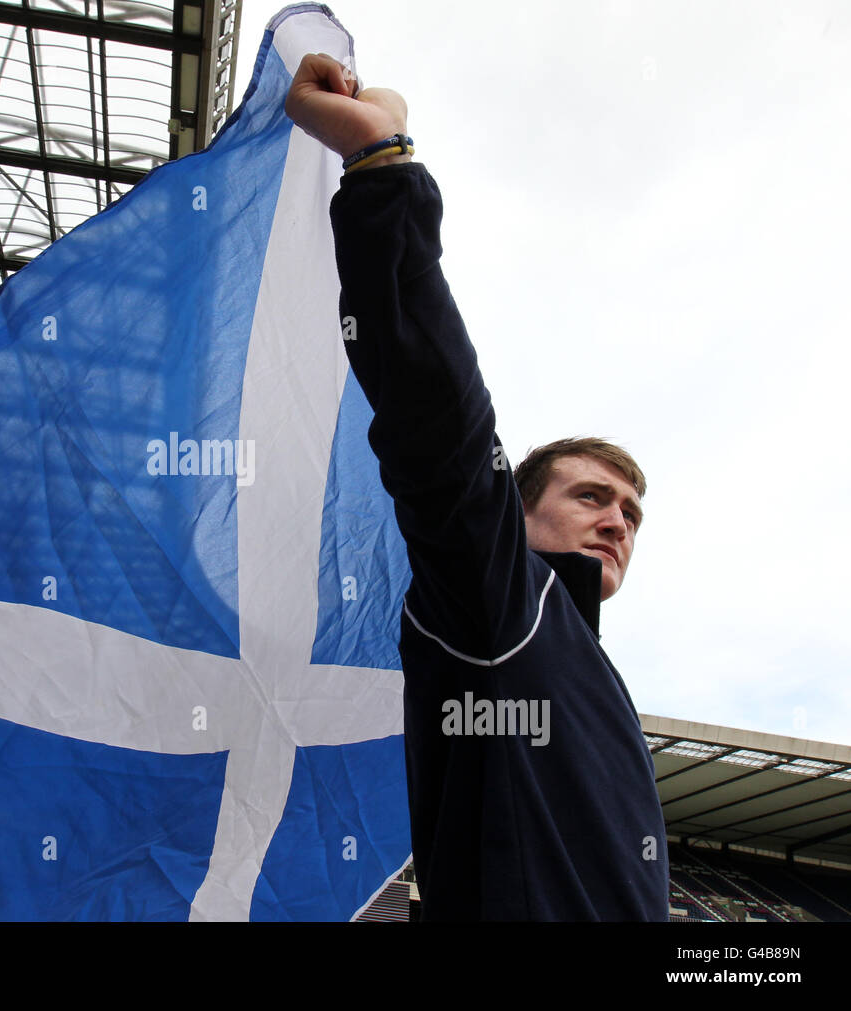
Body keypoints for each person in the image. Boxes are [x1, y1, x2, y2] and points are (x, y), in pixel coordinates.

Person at [285, 54, 668, 921]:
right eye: (592, 496)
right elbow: (441, 432)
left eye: (632, 513)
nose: (617, 520)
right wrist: (383, 167)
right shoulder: (503, 607)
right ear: (521, 516)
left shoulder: (581, 664)